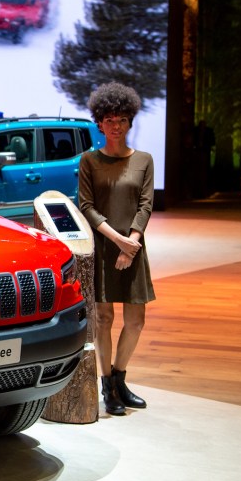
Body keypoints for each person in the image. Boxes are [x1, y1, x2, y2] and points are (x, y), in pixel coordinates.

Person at [78, 82, 156, 416]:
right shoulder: (89, 161)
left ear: (130, 123)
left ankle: (121, 379)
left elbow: (146, 204)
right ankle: (107, 385)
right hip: (105, 247)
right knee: (105, 318)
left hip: (134, 248)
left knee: (136, 319)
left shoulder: (144, 160)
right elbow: (87, 206)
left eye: (121, 119)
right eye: (109, 119)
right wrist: (117, 240)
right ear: (99, 122)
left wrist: (132, 242)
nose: (115, 125)